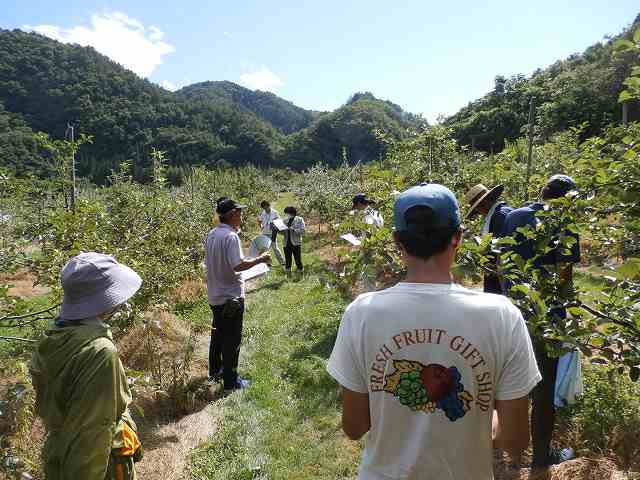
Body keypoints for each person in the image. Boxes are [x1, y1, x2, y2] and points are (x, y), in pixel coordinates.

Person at [327, 183, 541, 479]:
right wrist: (486, 419)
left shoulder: (362, 313)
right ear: (459, 237)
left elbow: (354, 427)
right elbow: (515, 441)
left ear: (396, 242)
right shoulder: (502, 316)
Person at [30, 252, 144, 480]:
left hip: (59, 456)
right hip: (101, 467)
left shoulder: (55, 335)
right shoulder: (100, 352)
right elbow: (93, 434)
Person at [502, 174, 580, 470]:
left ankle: (510, 457)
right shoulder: (565, 223)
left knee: (512, 384)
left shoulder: (515, 216)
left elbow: (503, 263)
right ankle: (539, 459)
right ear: (568, 200)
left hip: (514, 310)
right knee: (543, 389)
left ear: (542, 192)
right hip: (547, 316)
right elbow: (565, 274)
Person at [206, 198, 271, 390]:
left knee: (217, 336)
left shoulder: (212, 234)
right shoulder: (231, 237)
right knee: (231, 339)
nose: (241, 217)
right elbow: (238, 265)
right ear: (233, 214)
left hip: (215, 295)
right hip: (230, 298)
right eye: (240, 213)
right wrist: (260, 259)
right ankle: (231, 382)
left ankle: (215, 372)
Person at [464, 183, 513, 294]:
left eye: (478, 209)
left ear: (483, 204)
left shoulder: (499, 216)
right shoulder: (502, 212)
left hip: (499, 274)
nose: (479, 213)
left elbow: (497, 249)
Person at [258, 200, 285, 266]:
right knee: (266, 248)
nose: (265, 209)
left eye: (266, 207)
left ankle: (282, 262)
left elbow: (279, 222)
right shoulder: (263, 213)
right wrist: (260, 225)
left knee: (275, 248)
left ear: (268, 206)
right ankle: (268, 263)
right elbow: (260, 221)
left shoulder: (275, 212)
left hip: (272, 232)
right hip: (265, 232)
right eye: (264, 208)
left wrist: (275, 226)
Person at [281, 206, 305, 273]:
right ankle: (288, 271)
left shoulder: (300, 219)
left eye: (287, 213)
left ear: (292, 213)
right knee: (288, 259)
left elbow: (303, 231)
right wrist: (278, 229)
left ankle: (300, 271)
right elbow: (283, 232)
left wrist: (294, 230)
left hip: (296, 242)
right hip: (286, 242)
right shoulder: (285, 220)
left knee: (297, 259)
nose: (286, 215)